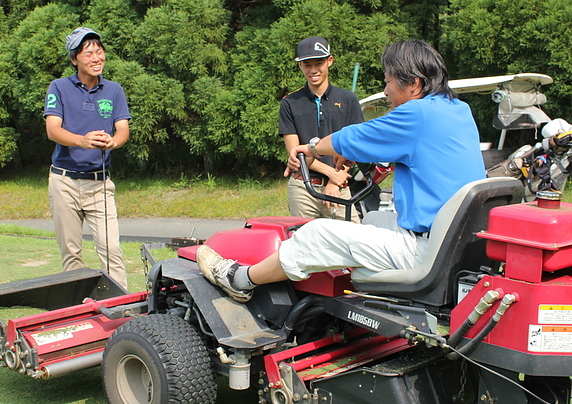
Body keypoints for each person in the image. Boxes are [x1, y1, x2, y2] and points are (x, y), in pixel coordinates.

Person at [198, 40, 486, 303]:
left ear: (413, 83)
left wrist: (311, 148)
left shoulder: (416, 113)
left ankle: (239, 279)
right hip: (456, 243)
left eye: (388, 81)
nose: (385, 90)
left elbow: (353, 137)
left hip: (425, 250)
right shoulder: (458, 110)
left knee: (316, 233)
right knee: (373, 218)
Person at [44, 27, 130, 289]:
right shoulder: (59, 87)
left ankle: (121, 309)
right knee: (71, 253)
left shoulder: (113, 90)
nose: (96, 58)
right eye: (88, 53)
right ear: (74, 59)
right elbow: (52, 130)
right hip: (64, 182)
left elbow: (123, 129)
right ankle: (79, 310)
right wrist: (82, 140)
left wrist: (113, 142)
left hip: (99, 184)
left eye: (99, 51)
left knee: (111, 249)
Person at [279, 37, 364, 223]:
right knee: (305, 245)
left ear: (330, 61)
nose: (313, 70)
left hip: (339, 186)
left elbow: (355, 146)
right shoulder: (289, 102)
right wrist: (330, 172)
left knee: (354, 241)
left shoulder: (349, 99)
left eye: (319, 63)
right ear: (300, 65)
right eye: (307, 64)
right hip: (303, 187)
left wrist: (335, 180)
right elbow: (296, 154)